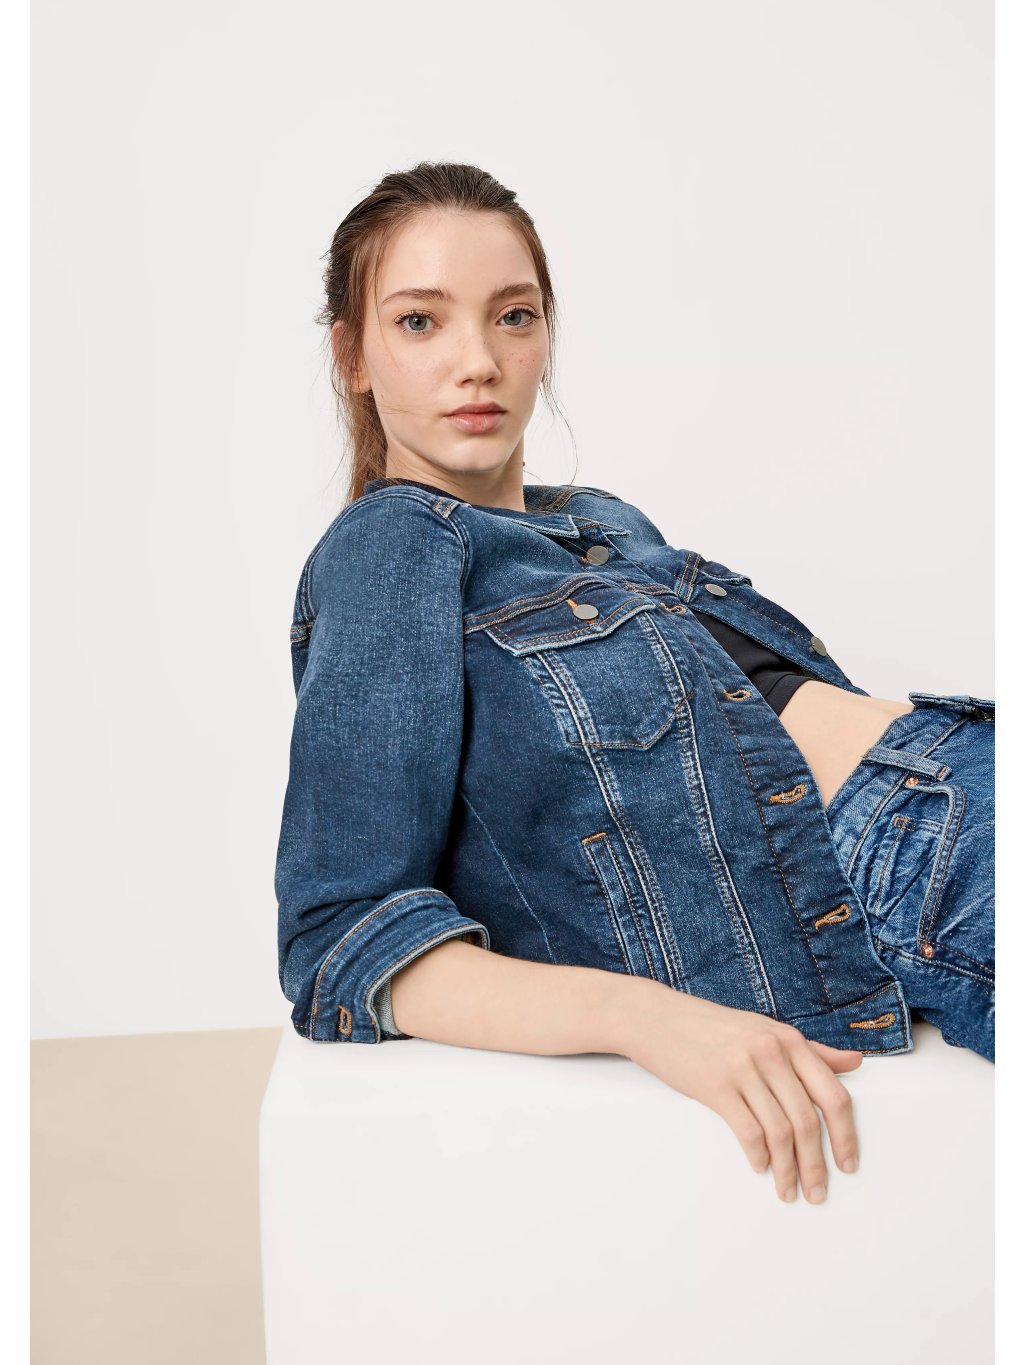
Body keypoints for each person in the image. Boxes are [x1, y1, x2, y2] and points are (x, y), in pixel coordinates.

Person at [275, 161, 995, 1207]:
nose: (479, 360)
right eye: (420, 322)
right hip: (933, 867)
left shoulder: (605, 520)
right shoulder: (391, 550)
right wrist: (640, 1018)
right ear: (351, 353)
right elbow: (338, 932)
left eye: (513, 316)